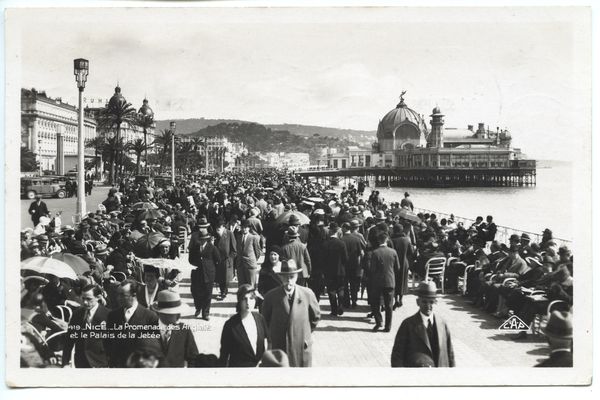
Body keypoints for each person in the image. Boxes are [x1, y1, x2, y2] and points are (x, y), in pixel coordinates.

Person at [261, 259, 321, 367]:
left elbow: (315, 317)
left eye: (291, 277)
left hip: (301, 347)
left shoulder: (307, 294)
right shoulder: (271, 296)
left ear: (297, 277)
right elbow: (265, 320)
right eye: (285, 277)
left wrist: (304, 332)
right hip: (279, 349)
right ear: (280, 277)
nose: (289, 281)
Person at [391, 281, 455, 367]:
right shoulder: (408, 324)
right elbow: (397, 356)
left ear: (435, 302)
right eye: (424, 302)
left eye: (431, 302)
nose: (428, 305)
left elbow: (450, 353)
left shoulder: (442, 324)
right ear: (418, 302)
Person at [105, 280, 159, 368]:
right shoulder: (112, 315)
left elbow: (152, 348)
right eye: (118, 294)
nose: (118, 298)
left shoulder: (150, 317)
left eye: (122, 295)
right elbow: (108, 342)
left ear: (134, 295)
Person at [219, 284, 269, 367]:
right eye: (244, 299)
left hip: (259, 371)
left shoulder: (260, 318)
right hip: (239, 373)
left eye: (251, 298)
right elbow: (224, 355)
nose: (248, 302)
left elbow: (267, 341)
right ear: (239, 301)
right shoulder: (230, 325)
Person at [62, 284, 110, 368]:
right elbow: (69, 340)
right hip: (81, 361)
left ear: (98, 297)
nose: (84, 302)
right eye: (83, 298)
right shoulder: (77, 314)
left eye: (89, 299)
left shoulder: (108, 315)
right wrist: (65, 363)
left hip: (100, 363)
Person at [149, 290, 199, 367]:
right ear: (160, 313)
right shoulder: (147, 330)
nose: (179, 316)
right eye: (173, 313)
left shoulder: (184, 330)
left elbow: (194, 358)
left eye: (178, 313)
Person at [368, 230, 400, 332]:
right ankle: (388, 326)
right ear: (387, 240)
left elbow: (372, 269)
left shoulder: (375, 253)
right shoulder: (393, 252)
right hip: (390, 281)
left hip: (377, 281)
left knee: (375, 303)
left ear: (378, 240)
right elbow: (397, 267)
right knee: (389, 305)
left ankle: (379, 321)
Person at [188, 228, 221, 320]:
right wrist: (197, 263)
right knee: (195, 292)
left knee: (207, 294)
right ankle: (198, 307)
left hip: (208, 274)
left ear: (207, 239)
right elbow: (190, 260)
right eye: (201, 239)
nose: (202, 241)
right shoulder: (194, 248)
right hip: (197, 273)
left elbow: (218, 260)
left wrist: (210, 267)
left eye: (204, 239)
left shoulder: (212, 248)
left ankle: (205, 313)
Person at [322, 222, 348, 316]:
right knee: (341, 288)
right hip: (340, 270)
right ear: (337, 231)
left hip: (329, 271)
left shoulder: (325, 244)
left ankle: (334, 310)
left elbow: (323, 259)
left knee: (331, 290)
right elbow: (345, 258)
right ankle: (340, 305)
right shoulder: (342, 243)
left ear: (330, 230)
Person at [215, 219, 237, 300]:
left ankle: (224, 292)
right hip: (218, 260)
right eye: (216, 229)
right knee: (220, 277)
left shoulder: (229, 234)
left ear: (223, 227)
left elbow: (234, 249)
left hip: (227, 260)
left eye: (219, 229)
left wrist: (230, 259)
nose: (217, 231)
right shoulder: (216, 235)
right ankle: (222, 292)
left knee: (225, 278)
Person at [235, 219, 262, 287]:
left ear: (249, 228)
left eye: (246, 227)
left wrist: (252, 259)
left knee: (251, 285)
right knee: (241, 285)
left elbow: (257, 252)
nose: (244, 229)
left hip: (250, 265)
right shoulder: (238, 237)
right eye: (243, 227)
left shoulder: (253, 238)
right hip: (240, 264)